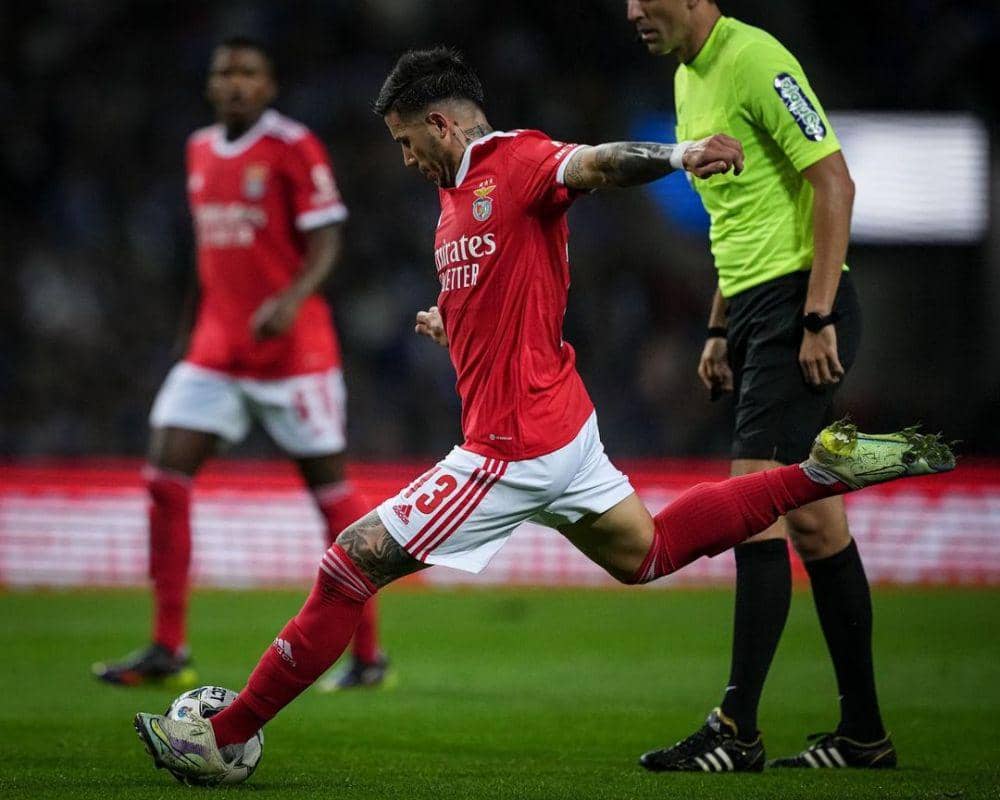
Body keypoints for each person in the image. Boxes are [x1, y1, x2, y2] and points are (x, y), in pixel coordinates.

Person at [131, 47, 953, 784]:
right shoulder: (455, 204)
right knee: (651, 551)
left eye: (405, 140)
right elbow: (503, 288)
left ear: (442, 124)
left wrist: (676, 155)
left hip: (511, 446)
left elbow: (593, 164)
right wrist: (448, 314)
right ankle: (817, 473)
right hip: (562, 430)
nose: (404, 157)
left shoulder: (515, 160)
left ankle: (225, 734)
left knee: (349, 563)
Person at [628, 0, 892, 771]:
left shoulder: (757, 59)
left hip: (797, 305)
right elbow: (733, 218)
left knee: (753, 505)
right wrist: (718, 326)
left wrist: (816, 317)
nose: (634, 10)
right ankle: (864, 736)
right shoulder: (687, 79)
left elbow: (834, 182)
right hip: (754, 308)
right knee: (815, 526)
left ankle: (736, 728)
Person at [93, 37, 388, 691]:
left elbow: (328, 237)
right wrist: (187, 334)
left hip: (294, 356)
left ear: (269, 85)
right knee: (165, 475)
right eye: (223, 73)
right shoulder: (198, 149)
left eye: (247, 73)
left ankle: (368, 656)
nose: (234, 84)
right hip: (215, 353)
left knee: (332, 498)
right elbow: (209, 255)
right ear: (210, 85)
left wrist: (290, 300)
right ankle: (168, 647)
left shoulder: (292, 145)